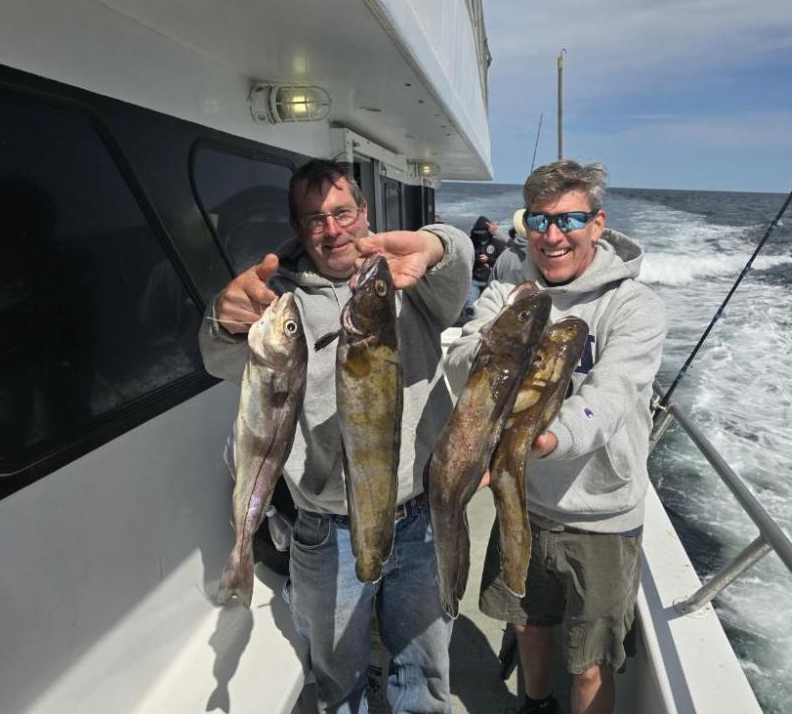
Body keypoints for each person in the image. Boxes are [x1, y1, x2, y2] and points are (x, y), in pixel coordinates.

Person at [199, 158, 472, 714]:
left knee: (424, 679)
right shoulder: (280, 301)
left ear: (364, 213)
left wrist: (436, 245)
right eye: (315, 219)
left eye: (343, 212)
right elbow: (219, 358)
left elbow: (455, 261)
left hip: (422, 517)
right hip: (327, 531)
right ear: (300, 230)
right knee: (337, 681)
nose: (333, 229)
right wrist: (223, 321)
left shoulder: (407, 280)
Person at [444, 160, 666, 714]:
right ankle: (535, 704)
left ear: (597, 223)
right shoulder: (507, 291)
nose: (551, 235)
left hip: (601, 515)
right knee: (529, 624)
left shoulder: (633, 306)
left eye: (568, 220)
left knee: (589, 660)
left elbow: (610, 398)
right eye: (538, 221)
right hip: (522, 500)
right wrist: (503, 333)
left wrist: (550, 440)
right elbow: (462, 365)